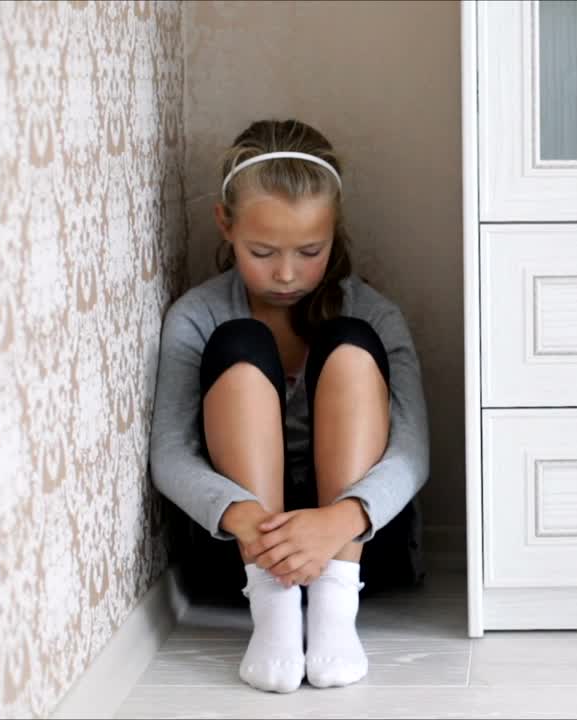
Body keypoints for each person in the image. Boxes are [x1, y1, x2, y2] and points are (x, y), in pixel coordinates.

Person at [149, 119, 430, 693]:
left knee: (349, 342)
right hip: (242, 554)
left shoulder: (378, 315)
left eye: (309, 251)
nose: (285, 273)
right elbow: (170, 456)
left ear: (334, 232)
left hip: (355, 550)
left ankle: (332, 618)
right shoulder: (195, 316)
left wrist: (339, 521)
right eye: (262, 251)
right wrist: (251, 525)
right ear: (225, 225)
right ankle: (274, 618)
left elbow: (413, 451)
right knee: (239, 342)